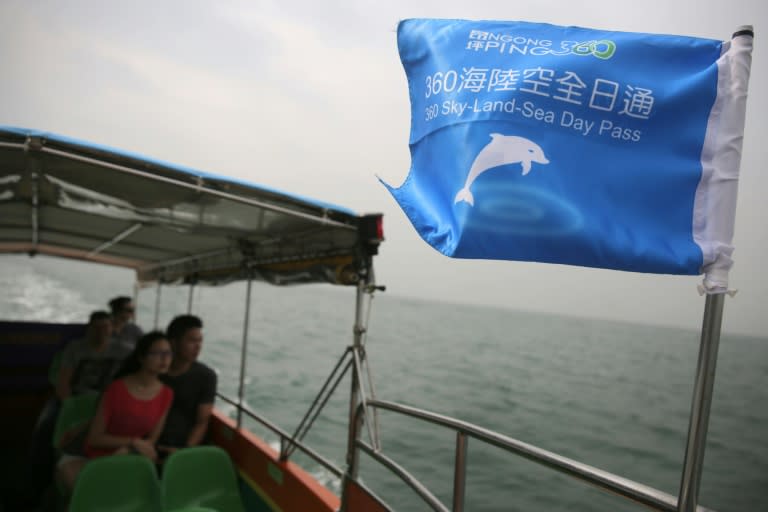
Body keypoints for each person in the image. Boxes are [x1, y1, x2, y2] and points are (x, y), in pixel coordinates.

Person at [57, 331, 174, 493]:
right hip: (89, 456)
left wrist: (130, 449)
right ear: (141, 357)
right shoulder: (116, 389)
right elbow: (95, 438)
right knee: (92, 496)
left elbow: (151, 439)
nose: (165, 359)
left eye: (168, 353)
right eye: (157, 353)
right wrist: (131, 442)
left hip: (129, 455)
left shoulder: (167, 394)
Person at [156, 315, 217, 458]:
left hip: (183, 447)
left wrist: (183, 453)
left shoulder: (206, 376)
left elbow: (202, 422)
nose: (198, 346)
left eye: (200, 341)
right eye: (192, 341)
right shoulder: (154, 370)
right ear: (173, 342)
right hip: (149, 442)